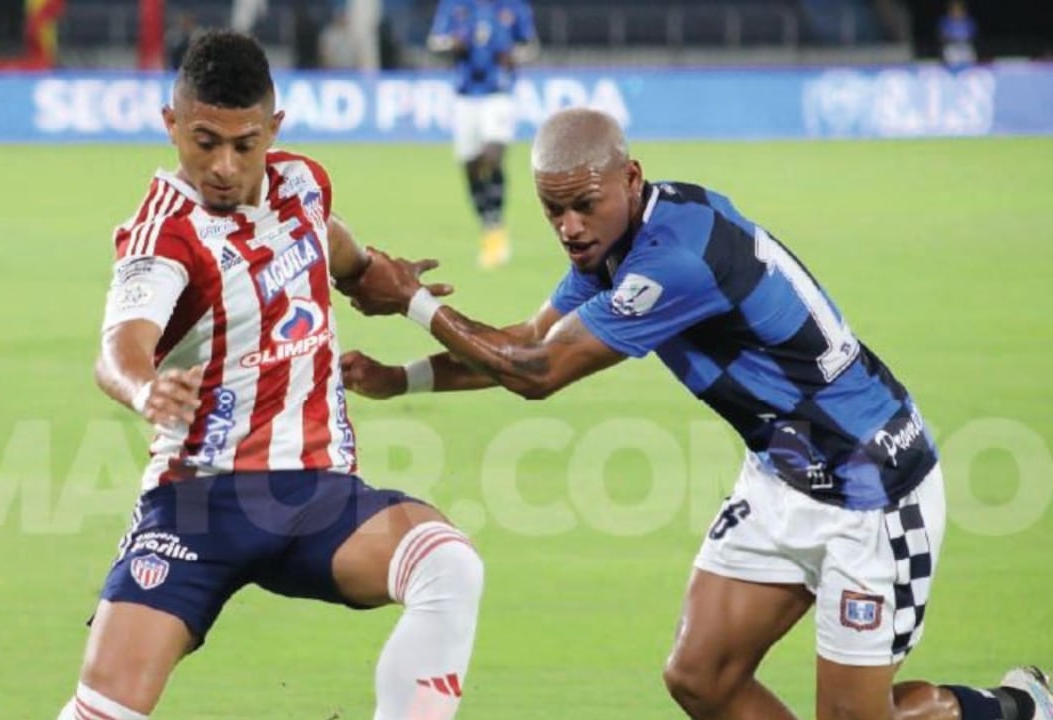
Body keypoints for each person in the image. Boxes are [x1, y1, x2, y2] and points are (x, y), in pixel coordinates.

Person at [340, 107, 1053, 720]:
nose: (569, 227)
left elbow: (539, 373)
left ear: (630, 177)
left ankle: (1018, 705)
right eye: (553, 210)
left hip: (871, 484)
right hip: (783, 473)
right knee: (700, 677)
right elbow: (528, 341)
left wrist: (413, 302)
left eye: (583, 205)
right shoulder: (623, 236)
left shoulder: (677, 258)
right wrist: (401, 380)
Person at [54, 30, 483, 720]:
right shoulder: (165, 235)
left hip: (317, 497)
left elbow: (333, 242)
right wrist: (143, 387)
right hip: (197, 505)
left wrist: (376, 274)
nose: (224, 166)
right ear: (171, 124)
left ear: (273, 130)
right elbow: (120, 347)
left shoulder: (302, 183)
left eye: (244, 145)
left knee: (449, 565)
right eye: (204, 142)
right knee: (104, 709)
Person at [427, 0, 537, 269]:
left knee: (493, 153)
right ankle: (487, 222)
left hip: (498, 93)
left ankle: (495, 227)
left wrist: (515, 56)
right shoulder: (454, 5)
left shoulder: (513, 6)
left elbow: (531, 47)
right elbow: (435, 42)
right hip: (465, 96)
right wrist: (452, 45)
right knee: (471, 164)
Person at [939, 0, 978, 69]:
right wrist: (952, 39)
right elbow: (942, 36)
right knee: (951, 58)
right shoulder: (945, 22)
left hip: (965, 45)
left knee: (971, 58)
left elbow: (973, 35)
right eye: (954, 10)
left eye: (959, 10)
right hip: (951, 46)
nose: (957, 12)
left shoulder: (969, 21)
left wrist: (963, 39)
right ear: (950, 11)